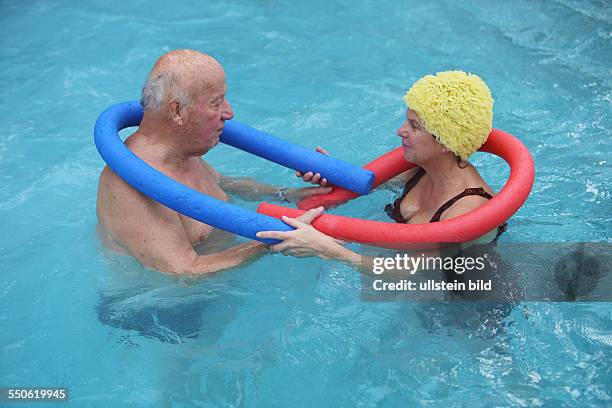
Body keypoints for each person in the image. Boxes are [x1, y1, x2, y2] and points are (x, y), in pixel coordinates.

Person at [96, 50, 329, 275]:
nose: (229, 113)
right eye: (216, 103)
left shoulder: (181, 151)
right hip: (167, 311)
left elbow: (224, 185)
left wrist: (291, 195)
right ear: (177, 111)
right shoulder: (130, 184)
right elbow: (182, 273)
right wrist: (277, 239)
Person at [256, 71, 506, 268]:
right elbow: (361, 185)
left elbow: (413, 276)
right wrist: (333, 175)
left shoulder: (469, 209)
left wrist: (328, 250)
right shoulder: (418, 168)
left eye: (414, 126)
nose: (401, 131)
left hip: (467, 311)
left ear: (444, 142)